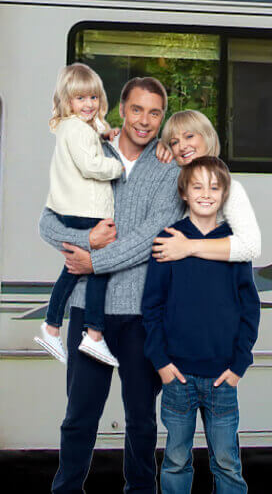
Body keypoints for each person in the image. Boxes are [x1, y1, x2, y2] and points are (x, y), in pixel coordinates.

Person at [39, 76, 183, 494]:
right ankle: (67, 489)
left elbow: (152, 237)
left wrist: (93, 261)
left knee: (141, 419)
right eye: (137, 109)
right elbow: (47, 221)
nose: (144, 120)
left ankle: (141, 490)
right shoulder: (88, 150)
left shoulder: (169, 168)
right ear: (121, 109)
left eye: (154, 112)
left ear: (162, 118)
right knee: (79, 416)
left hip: (142, 315)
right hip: (89, 311)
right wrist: (87, 239)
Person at [141, 156, 261, 494]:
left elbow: (250, 309)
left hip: (223, 377)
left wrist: (239, 365)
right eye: (197, 187)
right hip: (177, 376)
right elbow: (151, 307)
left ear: (224, 195)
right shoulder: (168, 240)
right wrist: (161, 363)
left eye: (214, 187)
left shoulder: (233, 245)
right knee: (176, 460)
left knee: (227, 462)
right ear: (184, 193)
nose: (206, 194)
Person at [34, 63, 124, 367]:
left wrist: (105, 133)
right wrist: (118, 166)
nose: (88, 104)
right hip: (87, 212)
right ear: (67, 100)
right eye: (80, 98)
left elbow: (91, 137)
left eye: (93, 98)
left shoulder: (70, 127)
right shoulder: (78, 130)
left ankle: (52, 327)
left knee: (73, 270)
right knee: (98, 268)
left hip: (72, 210)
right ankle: (93, 334)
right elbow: (91, 166)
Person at [151, 109, 261, 264]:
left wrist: (189, 246)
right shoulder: (171, 184)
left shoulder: (231, 188)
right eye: (174, 142)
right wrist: (155, 149)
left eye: (189, 136)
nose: (182, 146)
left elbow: (250, 247)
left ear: (207, 136)